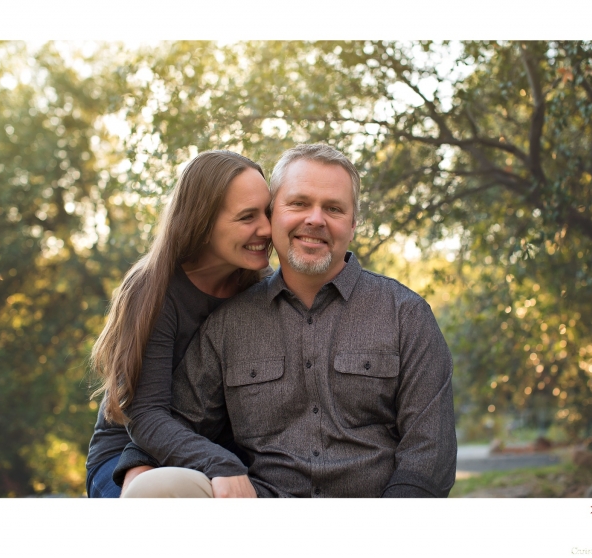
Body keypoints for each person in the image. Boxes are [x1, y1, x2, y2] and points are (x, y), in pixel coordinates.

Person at [117, 143, 457, 498]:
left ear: (353, 225)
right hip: (261, 508)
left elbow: (428, 453)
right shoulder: (228, 322)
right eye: (298, 203)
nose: (315, 219)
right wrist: (139, 469)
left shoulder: (406, 314)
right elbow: (177, 418)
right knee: (155, 489)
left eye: (334, 208)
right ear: (273, 214)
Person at [85, 150, 272, 498]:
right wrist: (219, 464)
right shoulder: (152, 290)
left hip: (222, 454)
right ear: (202, 222)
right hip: (131, 451)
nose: (266, 228)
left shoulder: (263, 286)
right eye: (248, 217)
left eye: (268, 212)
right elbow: (146, 417)